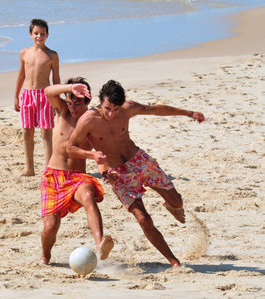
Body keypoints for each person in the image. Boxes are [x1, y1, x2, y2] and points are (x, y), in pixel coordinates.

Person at [66, 80, 205, 268]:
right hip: (118, 174)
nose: (110, 114)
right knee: (143, 219)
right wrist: (92, 155)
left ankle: (170, 204)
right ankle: (174, 262)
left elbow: (155, 110)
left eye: (115, 109)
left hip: (139, 161)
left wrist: (188, 113)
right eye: (107, 108)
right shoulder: (88, 120)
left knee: (177, 202)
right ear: (100, 101)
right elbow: (70, 147)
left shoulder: (127, 108)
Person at [39, 77, 114, 265]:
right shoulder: (62, 110)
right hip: (53, 176)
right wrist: (71, 87)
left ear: (88, 101)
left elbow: (100, 154)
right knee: (50, 226)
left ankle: (100, 245)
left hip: (77, 177)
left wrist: (104, 171)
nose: (73, 107)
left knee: (88, 196)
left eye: (78, 104)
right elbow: (48, 91)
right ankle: (45, 255)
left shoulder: (92, 122)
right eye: (70, 102)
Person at [14, 18, 60, 176]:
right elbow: (20, 76)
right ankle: (29, 168)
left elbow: (56, 80)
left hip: (45, 96)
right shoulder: (24, 53)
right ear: (30, 35)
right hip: (27, 94)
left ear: (47, 35)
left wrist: (57, 101)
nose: (39, 36)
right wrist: (16, 97)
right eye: (36, 33)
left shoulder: (52, 55)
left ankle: (49, 168)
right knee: (27, 131)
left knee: (46, 133)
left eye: (42, 34)